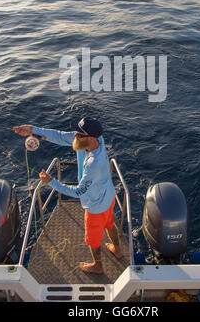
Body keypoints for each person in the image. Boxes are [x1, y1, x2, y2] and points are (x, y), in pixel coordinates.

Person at [13, 117, 121, 274]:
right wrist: (32, 130)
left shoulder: (93, 165)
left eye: (78, 134)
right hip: (108, 195)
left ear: (89, 139)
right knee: (110, 223)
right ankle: (117, 249)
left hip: (95, 206)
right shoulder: (97, 139)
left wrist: (50, 181)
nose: (74, 136)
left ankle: (98, 265)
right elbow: (60, 136)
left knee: (93, 239)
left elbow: (77, 192)